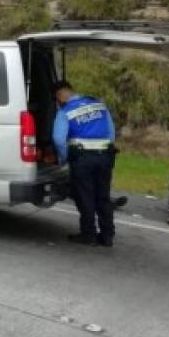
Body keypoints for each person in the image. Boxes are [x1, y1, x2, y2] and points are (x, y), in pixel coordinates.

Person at [52, 80, 117, 247]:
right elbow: (111, 132)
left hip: (82, 159)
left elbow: (58, 139)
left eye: (56, 98)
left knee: (85, 196)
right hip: (105, 157)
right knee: (103, 196)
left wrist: (66, 157)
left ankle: (88, 235)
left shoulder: (65, 111)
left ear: (59, 96)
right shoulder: (99, 105)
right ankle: (107, 235)